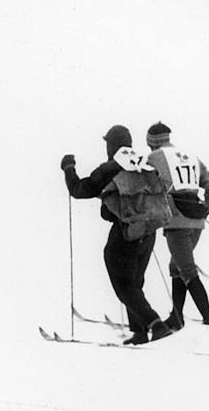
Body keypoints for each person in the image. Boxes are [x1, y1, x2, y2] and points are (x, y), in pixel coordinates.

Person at [61, 125, 171, 344]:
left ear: (110, 145)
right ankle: (140, 332)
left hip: (125, 234)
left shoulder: (110, 167)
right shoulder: (144, 162)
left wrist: (68, 168)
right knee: (135, 282)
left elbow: (79, 190)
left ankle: (155, 324)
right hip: (148, 232)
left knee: (123, 285)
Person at [141, 122, 209, 332]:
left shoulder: (154, 158)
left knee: (186, 270)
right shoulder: (191, 156)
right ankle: (177, 317)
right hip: (197, 220)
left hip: (176, 221)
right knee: (176, 267)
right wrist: (207, 206)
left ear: (152, 142)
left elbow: (149, 185)